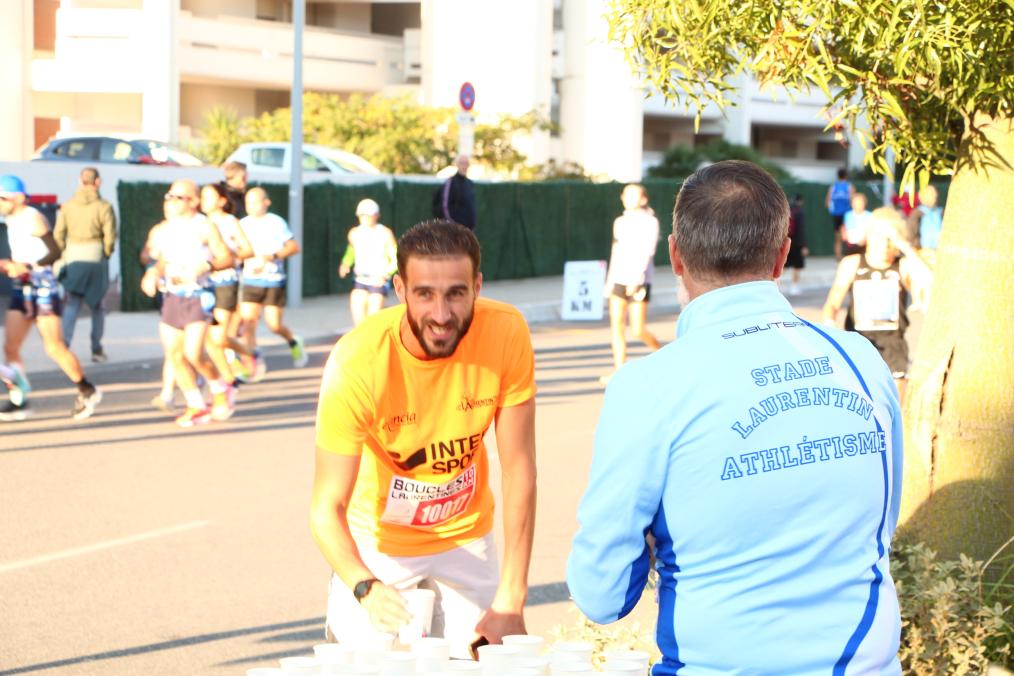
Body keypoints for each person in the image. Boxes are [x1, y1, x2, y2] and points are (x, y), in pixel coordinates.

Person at [568, 161, 903, 675]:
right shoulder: (859, 358)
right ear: (783, 255)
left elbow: (601, 593)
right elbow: (879, 521)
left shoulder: (648, 385)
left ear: (675, 255)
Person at [310, 220, 536, 658]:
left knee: (486, 661)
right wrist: (364, 584)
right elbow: (325, 507)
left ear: (477, 286)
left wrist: (512, 594)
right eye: (425, 294)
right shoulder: (357, 362)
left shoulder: (506, 330)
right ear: (400, 289)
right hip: (379, 546)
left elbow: (520, 470)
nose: (441, 314)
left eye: (456, 293)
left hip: (467, 536)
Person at [0, 174, 102, 421]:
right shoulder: (10, 219)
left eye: (2, 198)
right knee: (10, 346)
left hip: (42, 286)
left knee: (54, 347)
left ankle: (87, 390)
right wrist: (12, 265)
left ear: (19, 198)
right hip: (22, 286)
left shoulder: (32, 218)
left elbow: (55, 251)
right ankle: (19, 398)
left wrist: (27, 266)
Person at [140, 179, 236, 426]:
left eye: (177, 197)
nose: (170, 201)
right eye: (168, 196)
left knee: (194, 353)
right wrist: (152, 274)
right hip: (172, 295)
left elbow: (227, 258)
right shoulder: (165, 229)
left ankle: (219, 387)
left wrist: (206, 266)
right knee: (174, 355)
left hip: (198, 295)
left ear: (193, 201)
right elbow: (162, 261)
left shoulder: (205, 226)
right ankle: (196, 405)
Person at [822, 207, 930, 398]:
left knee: (895, 407)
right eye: (879, 238)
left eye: (890, 240)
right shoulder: (852, 263)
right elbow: (833, 302)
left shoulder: (903, 266)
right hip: (859, 343)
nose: (884, 245)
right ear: (869, 237)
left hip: (893, 345)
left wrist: (905, 247)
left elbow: (930, 281)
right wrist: (829, 323)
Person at [237, 187, 307, 377]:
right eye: (248, 202)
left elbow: (293, 247)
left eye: (255, 202)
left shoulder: (276, 222)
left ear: (266, 202)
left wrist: (272, 256)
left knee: (274, 325)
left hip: (273, 280)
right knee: (248, 322)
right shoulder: (242, 224)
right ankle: (252, 361)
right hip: (251, 279)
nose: (251, 206)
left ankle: (293, 340)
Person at [54, 166, 117, 363]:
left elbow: (58, 234)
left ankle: (64, 346)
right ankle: (96, 350)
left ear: (80, 181)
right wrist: (105, 253)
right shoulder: (104, 207)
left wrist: (63, 254)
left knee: (72, 302)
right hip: (96, 256)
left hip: (73, 255)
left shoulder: (68, 206)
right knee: (97, 305)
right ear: (97, 182)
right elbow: (110, 236)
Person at [601, 184, 661, 384]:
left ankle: (665, 355)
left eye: (633, 195)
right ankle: (619, 371)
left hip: (640, 281)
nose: (628, 198)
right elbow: (616, 252)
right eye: (626, 194)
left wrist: (636, 280)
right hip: (618, 278)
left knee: (638, 329)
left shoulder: (650, 222)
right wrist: (609, 283)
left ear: (643, 199)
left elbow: (648, 252)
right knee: (616, 325)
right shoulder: (620, 222)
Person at [200, 183, 255, 387]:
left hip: (225, 281)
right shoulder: (200, 223)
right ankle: (229, 381)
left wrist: (228, 257)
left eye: (209, 196)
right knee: (209, 339)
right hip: (205, 283)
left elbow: (248, 250)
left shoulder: (230, 222)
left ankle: (248, 353)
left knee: (219, 337)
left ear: (222, 201)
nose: (204, 200)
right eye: (202, 196)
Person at [339, 198, 398, 327]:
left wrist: (385, 274)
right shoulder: (354, 233)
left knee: (373, 319)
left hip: (378, 280)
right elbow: (351, 252)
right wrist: (345, 264)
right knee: (358, 317)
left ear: (376, 215)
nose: (365, 219)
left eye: (368, 215)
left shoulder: (385, 233)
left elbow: (396, 258)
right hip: (361, 279)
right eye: (362, 216)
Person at [432, 155, 477, 231]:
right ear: (457, 164)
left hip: (467, 230)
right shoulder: (451, 183)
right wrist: (454, 226)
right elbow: (444, 207)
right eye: (462, 163)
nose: (464, 166)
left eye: (466, 163)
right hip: (454, 231)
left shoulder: (469, 183)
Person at [825, 168, 855, 259]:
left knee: (838, 237)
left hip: (837, 215)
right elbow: (853, 200)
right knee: (849, 235)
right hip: (847, 215)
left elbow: (827, 202)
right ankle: (849, 255)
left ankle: (838, 256)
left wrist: (833, 210)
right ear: (846, 176)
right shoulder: (849, 187)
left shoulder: (833, 187)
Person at [784, 192, 809, 296]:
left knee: (783, 266)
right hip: (797, 243)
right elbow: (801, 230)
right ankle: (794, 287)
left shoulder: (785, 210)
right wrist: (804, 245)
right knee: (797, 266)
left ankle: (774, 284)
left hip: (785, 242)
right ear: (800, 201)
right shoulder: (800, 212)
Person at [841, 192, 871, 256]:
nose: (857, 205)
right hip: (850, 245)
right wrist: (844, 234)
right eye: (855, 203)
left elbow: (871, 229)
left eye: (860, 203)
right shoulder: (848, 215)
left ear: (864, 204)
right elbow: (845, 227)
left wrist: (865, 239)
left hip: (865, 245)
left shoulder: (869, 215)